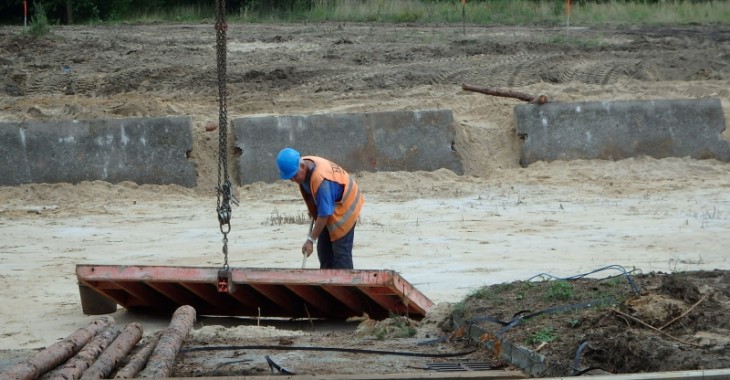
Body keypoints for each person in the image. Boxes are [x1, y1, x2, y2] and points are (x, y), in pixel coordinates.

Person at [276, 147, 364, 269]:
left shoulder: (321, 180)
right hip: (330, 202)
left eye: (294, 176)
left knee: (341, 253)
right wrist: (314, 207)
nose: (293, 180)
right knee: (324, 251)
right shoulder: (305, 164)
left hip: (346, 206)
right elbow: (317, 196)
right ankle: (328, 285)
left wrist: (310, 240)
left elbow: (325, 214)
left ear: (302, 166)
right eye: (290, 178)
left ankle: (346, 286)